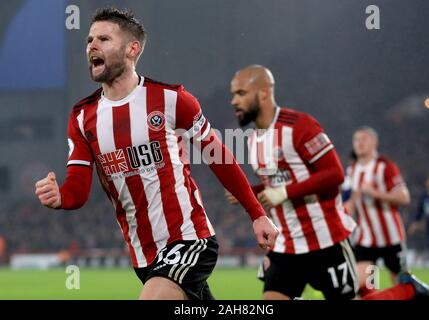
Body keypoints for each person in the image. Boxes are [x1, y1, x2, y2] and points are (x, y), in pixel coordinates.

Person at [34, 8, 278, 300]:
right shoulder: (82, 117)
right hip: (143, 255)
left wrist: (257, 214)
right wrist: (60, 197)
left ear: (132, 49)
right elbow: (78, 189)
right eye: (89, 40)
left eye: (104, 39)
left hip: (190, 239)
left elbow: (219, 156)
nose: (92, 46)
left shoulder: (172, 100)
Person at [226, 65, 358, 300]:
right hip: (287, 245)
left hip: (326, 241)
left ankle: (409, 292)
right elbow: (275, 182)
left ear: (264, 92)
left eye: (241, 93)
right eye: (233, 94)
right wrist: (250, 192)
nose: (234, 101)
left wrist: (285, 192)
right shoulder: (253, 140)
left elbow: (335, 174)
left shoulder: (299, 125)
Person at [344, 126, 429, 299]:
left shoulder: (385, 166)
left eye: (364, 139)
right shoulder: (352, 171)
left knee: (399, 284)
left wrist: (375, 193)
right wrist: (349, 205)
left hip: (390, 238)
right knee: (360, 284)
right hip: (366, 240)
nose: (359, 143)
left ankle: (415, 291)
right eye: (356, 140)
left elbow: (404, 198)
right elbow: (351, 204)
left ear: (374, 142)